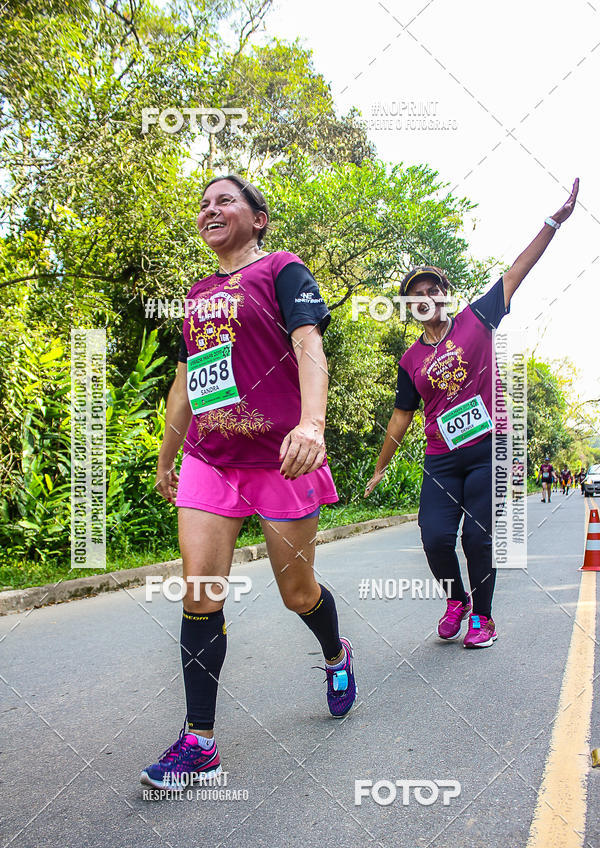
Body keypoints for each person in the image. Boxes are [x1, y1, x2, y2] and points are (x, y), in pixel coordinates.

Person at [141, 175, 356, 791]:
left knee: (297, 592)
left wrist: (312, 425)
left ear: (257, 218)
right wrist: (168, 455)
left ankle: (337, 655)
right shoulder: (195, 294)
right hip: (212, 459)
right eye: (204, 205)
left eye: (225, 200)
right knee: (200, 591)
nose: (211, 210)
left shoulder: (283, 270)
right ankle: (200, 740)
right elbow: (188, 379)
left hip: (283, 459)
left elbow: (309, 343)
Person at [365, 179, 579, 648]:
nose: (425, 298)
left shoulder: (477, 319)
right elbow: (401, 417)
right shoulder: (410, 361)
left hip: (488, 449)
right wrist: (380, 467)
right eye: (415, 295)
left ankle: (483, 617)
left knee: (478, 540)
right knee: (435, 536)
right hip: (442, 458)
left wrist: (551, 224)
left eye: (432, 290)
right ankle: (455, 599)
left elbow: (517, 271)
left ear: (445, 294)